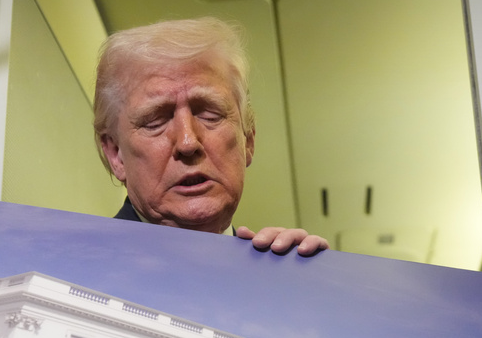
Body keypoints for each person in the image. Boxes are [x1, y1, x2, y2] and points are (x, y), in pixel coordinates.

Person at [93, 17, 328, 256]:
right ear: (115, 154)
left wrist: (305, 282)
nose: (187, 142)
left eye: (209, 115)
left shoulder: (283, 275)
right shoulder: (71, 278)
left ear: (248, 138)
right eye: (155, 122)